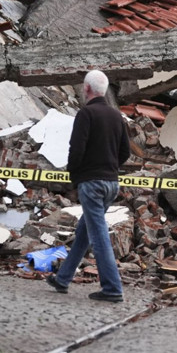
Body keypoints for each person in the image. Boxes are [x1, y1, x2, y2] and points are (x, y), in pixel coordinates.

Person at [46, 70, 130, 302]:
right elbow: (125, 152)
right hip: (111, 184)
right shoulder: (117, 117)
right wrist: (110, 167)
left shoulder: (86, 114)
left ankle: (112, 288)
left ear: (86, 89)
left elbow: (77, 149)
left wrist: (74, 176)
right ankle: (63, 278)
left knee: (99, 234)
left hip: (91, 184)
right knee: (85, 231)